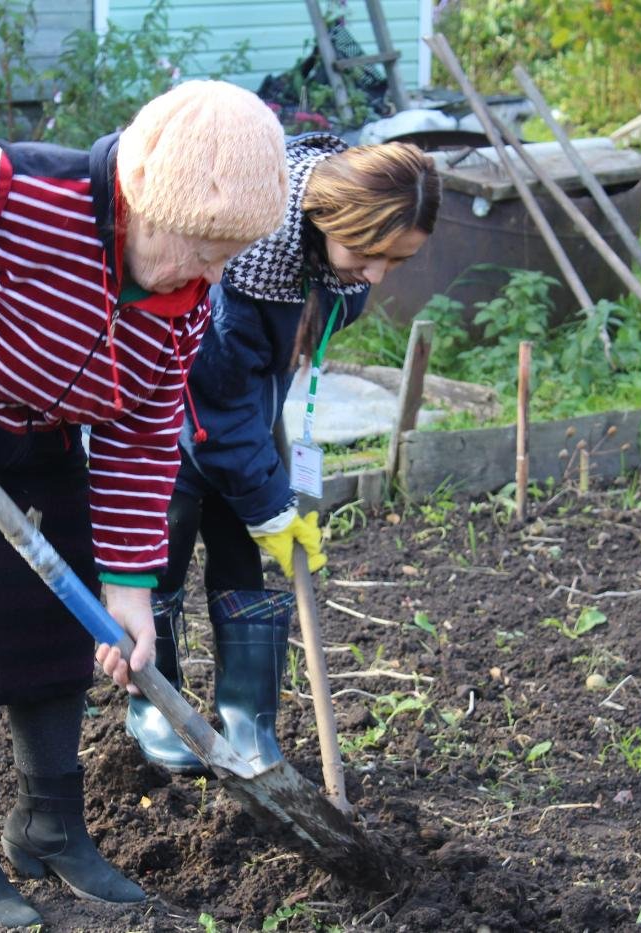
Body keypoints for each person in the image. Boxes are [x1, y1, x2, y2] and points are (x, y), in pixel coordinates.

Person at [0, 81, 288, 927]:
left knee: (59, 611)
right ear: (144, 196)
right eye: (205, 243)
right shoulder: (24, 195)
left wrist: (130, 593)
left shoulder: (182, 303)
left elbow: (144, 434)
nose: (214, 272)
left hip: (32, 416)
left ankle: (49, 822)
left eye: (231, 251)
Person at [117, 135, 441, 774]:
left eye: (395, 262)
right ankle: (157, 703)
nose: (377, 275)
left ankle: (249, 720)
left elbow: (257, 387)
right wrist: (271, 505)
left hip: (239, 420)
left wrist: (268, 498)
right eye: (371, 255)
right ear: (328, 222)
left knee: (242, 557)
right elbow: (214, 407)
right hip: (168, 424)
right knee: (162, 558)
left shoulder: (330, 253)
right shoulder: (245, 269)